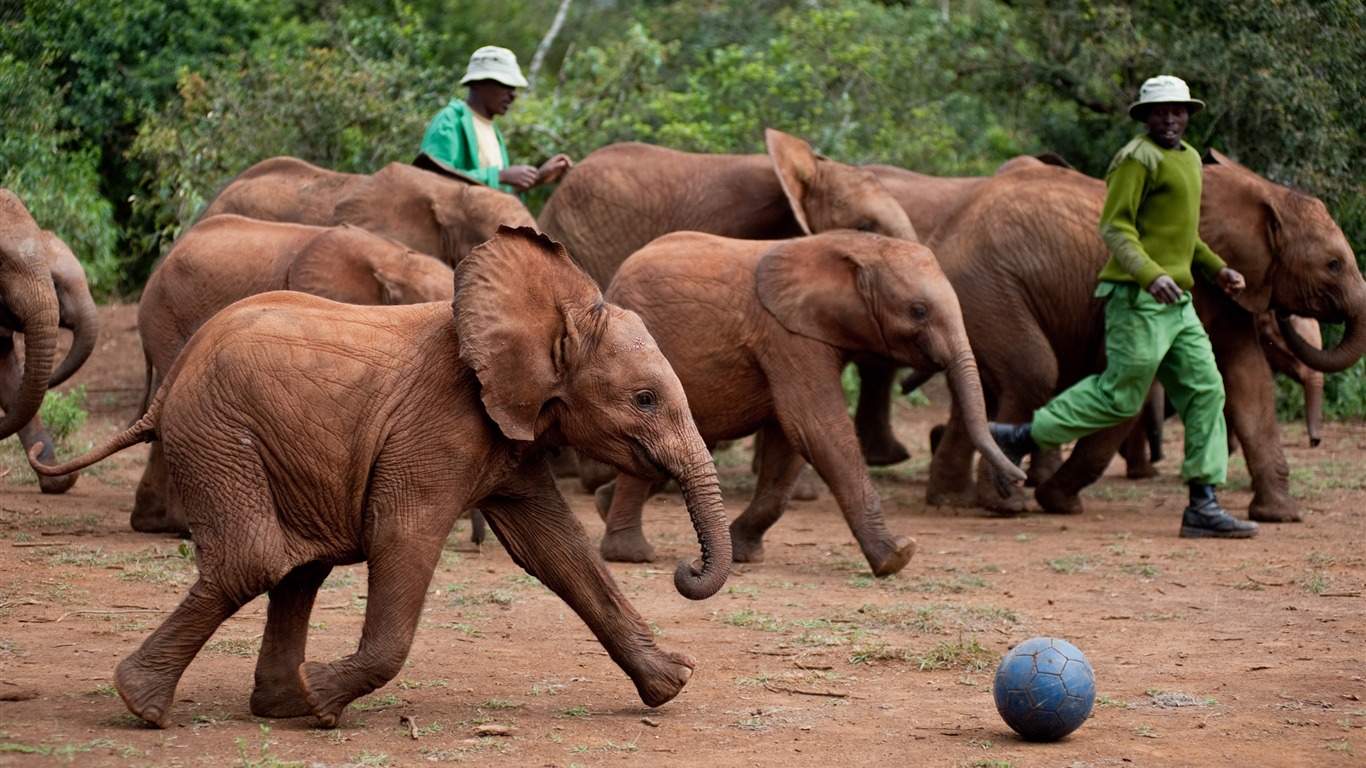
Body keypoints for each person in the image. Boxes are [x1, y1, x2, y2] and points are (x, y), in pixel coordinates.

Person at [989, 75, 1258, 539]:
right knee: (1120, 396)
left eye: (1177, 111)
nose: (1169, 119)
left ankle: (1202, 503)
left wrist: (1217, 270)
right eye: (1159, 111)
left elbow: (1181, 233)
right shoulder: (1136, 159)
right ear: (1145, 117)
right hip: (1138, 299)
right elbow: (1115, 229)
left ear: (1189, 114)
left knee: (1206, 390)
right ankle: (1018, 438)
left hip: (1180, 303)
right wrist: (1149, 275)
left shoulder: (1191, 159)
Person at [417, 45, 573, 194]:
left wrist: (536, 177)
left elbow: (494, 195)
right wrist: (500, 176)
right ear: (478, 83)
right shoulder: (450, 121)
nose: (513, 95)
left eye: (514, 88)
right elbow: (432, 181)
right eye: (506, 85)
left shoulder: (493, 130)